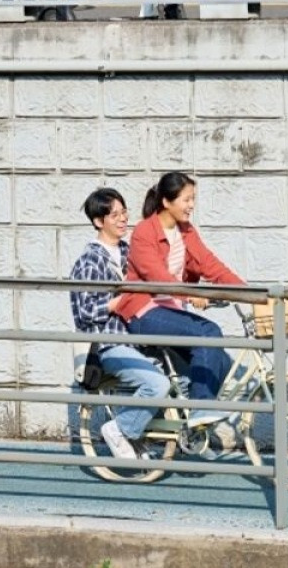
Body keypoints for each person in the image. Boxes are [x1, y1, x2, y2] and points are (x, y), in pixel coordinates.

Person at [115, 172, 244, 426]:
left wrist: (251, 294)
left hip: (170, 309)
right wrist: (193, 295)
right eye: (186, 200)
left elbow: (209, 264)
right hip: (143, 312)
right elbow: (158, 277)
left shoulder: (186, 231)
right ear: (166, 202)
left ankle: (193, 413)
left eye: (193, 199)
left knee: (217, 357)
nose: (191, 206)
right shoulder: (144, 232)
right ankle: (200, 408)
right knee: (208, 332)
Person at [69, 187, 170, 459]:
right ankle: (119, 429)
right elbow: (85, 312)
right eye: (115, 214)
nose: (123, 218)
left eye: (124, 212)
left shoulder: (130, 251)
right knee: (157, 385)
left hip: (139, 337)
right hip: (110, 344)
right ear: (98, 221)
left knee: (183, 372)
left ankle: (141, 434)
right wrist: (119, 301)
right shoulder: (91, 260)